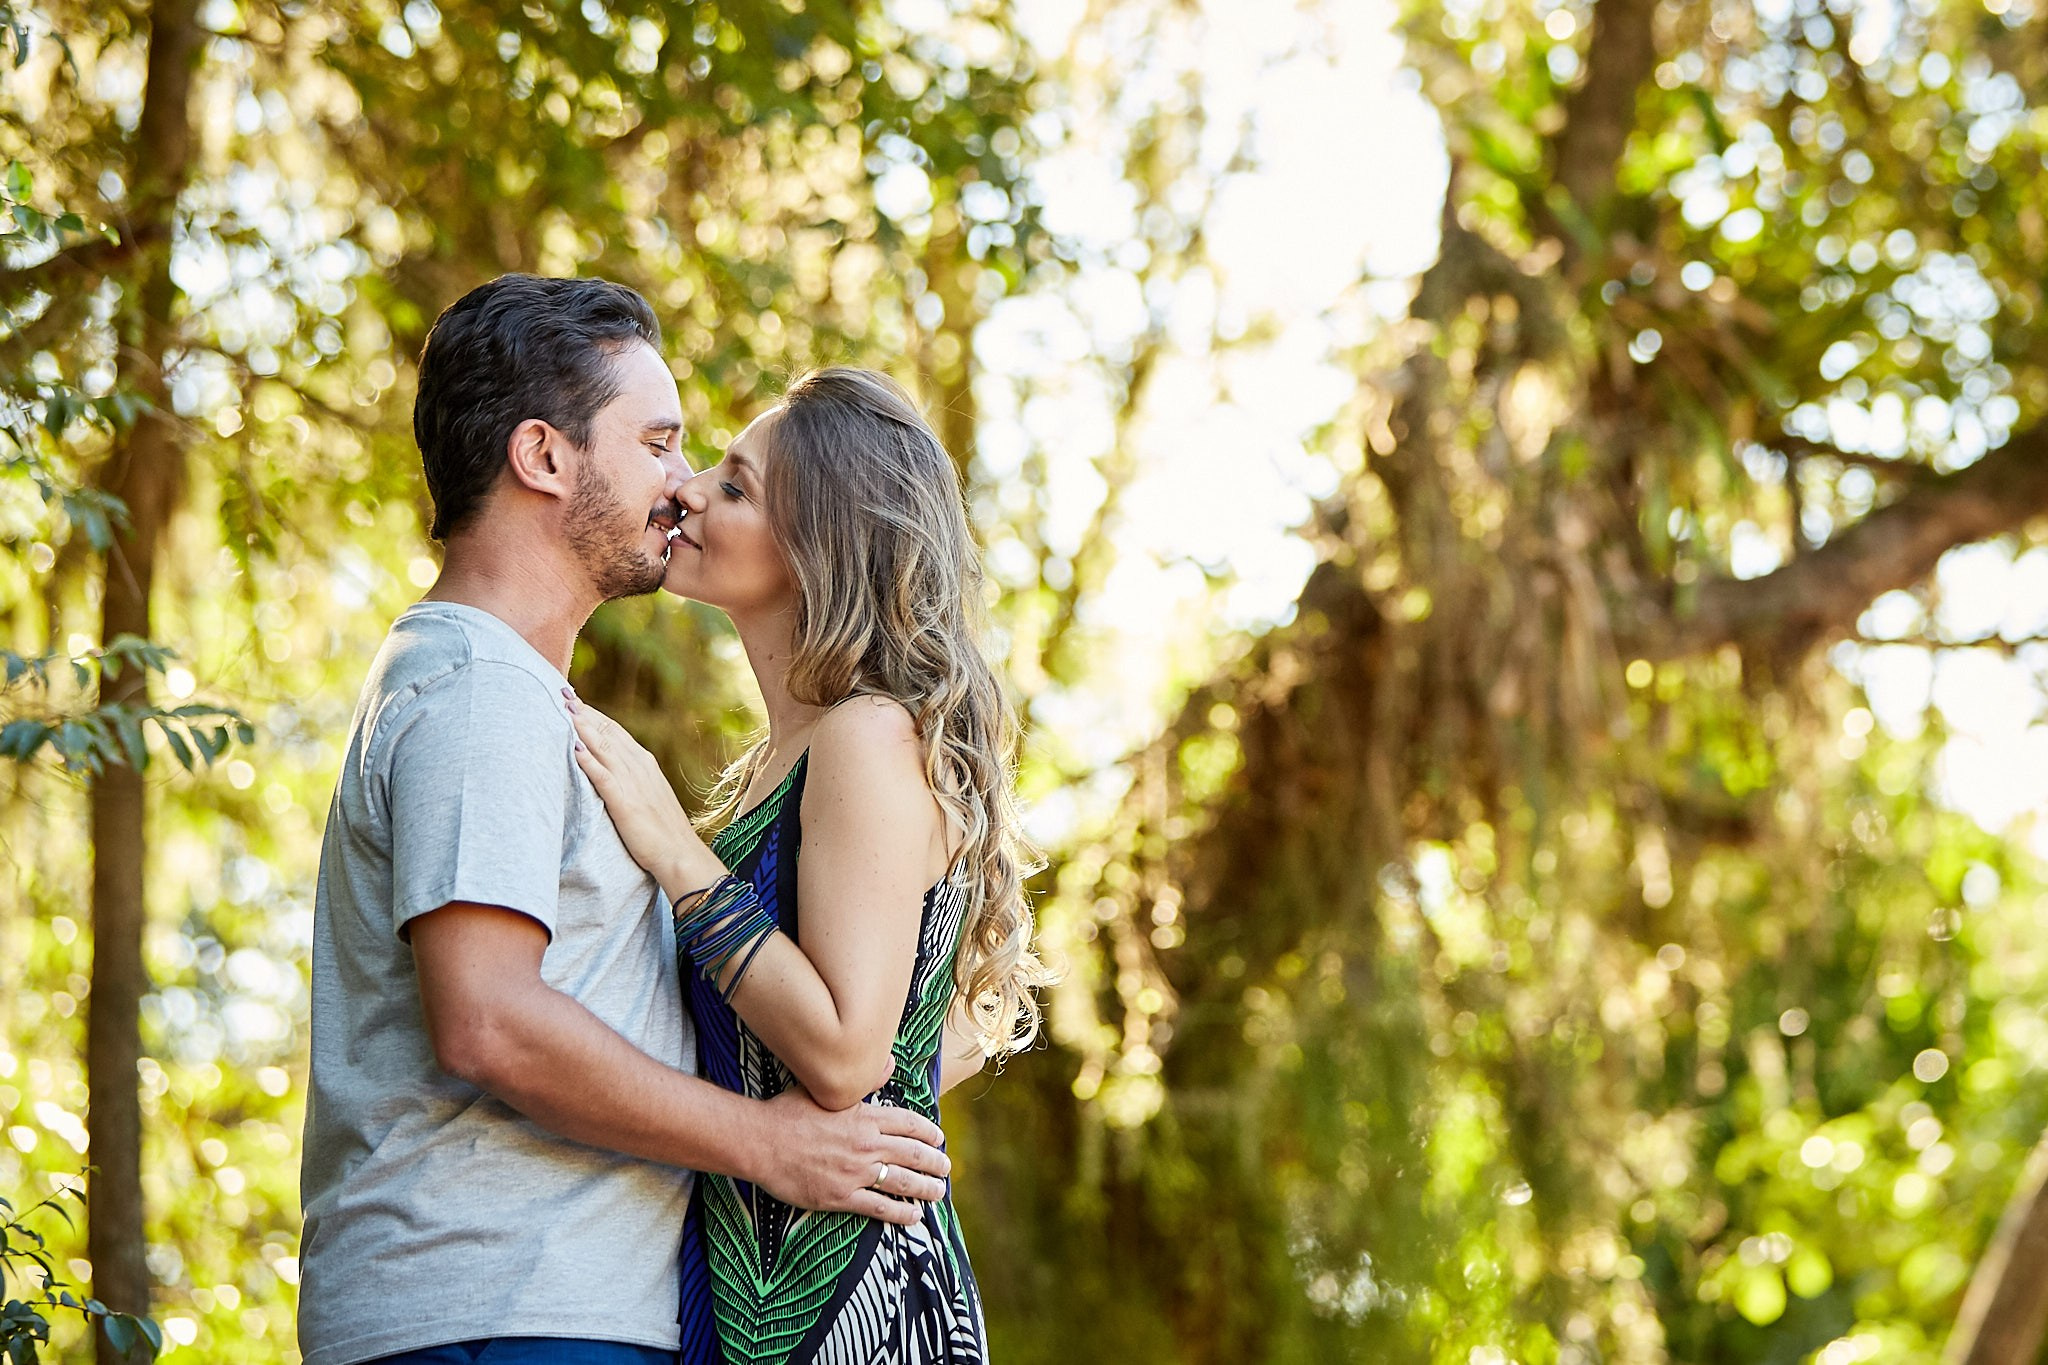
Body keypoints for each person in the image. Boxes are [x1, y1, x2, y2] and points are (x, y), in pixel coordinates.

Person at [299, 278, 954, 1365]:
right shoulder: (479, 692)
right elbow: (490, 1023)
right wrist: (767, 1147)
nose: (681, 487)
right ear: (545, 458)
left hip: (556, 1309)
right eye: (658, 443)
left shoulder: (521, 701)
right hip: (499, 1310)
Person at [565, 368, 1044, 1364]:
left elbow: (842, 1052)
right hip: (750, 1278)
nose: (688, 490)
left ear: (816, 550)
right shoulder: (780, 763)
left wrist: (672, 850)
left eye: (734, 488)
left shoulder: (867, 735)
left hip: (850, 1302)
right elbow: (936, 1032)